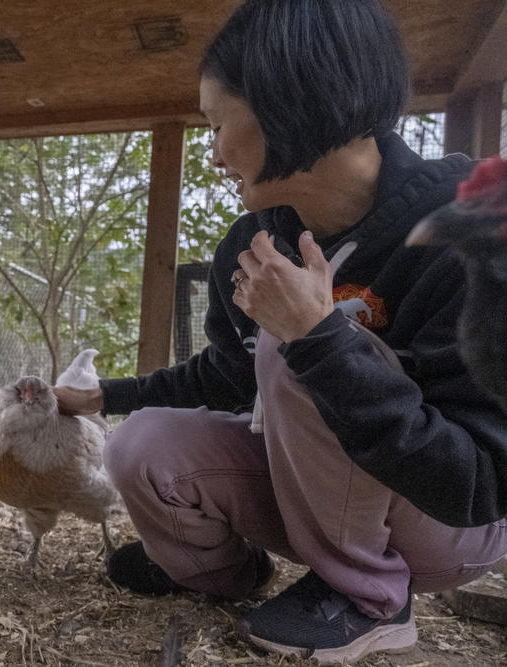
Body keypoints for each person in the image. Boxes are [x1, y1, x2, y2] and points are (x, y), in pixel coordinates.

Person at [54, 0, 507, 663]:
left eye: (217, 126)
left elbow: (481, 483)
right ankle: (228, 574)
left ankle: (368, 597)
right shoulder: (255, 238)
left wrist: (319, 338)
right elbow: (229, 376)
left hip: (449, 521)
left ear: (293, 104)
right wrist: (106, 397)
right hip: (326, 500)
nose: (212, 156)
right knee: (143, 443)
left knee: (296, 342)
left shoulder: (464, 225)